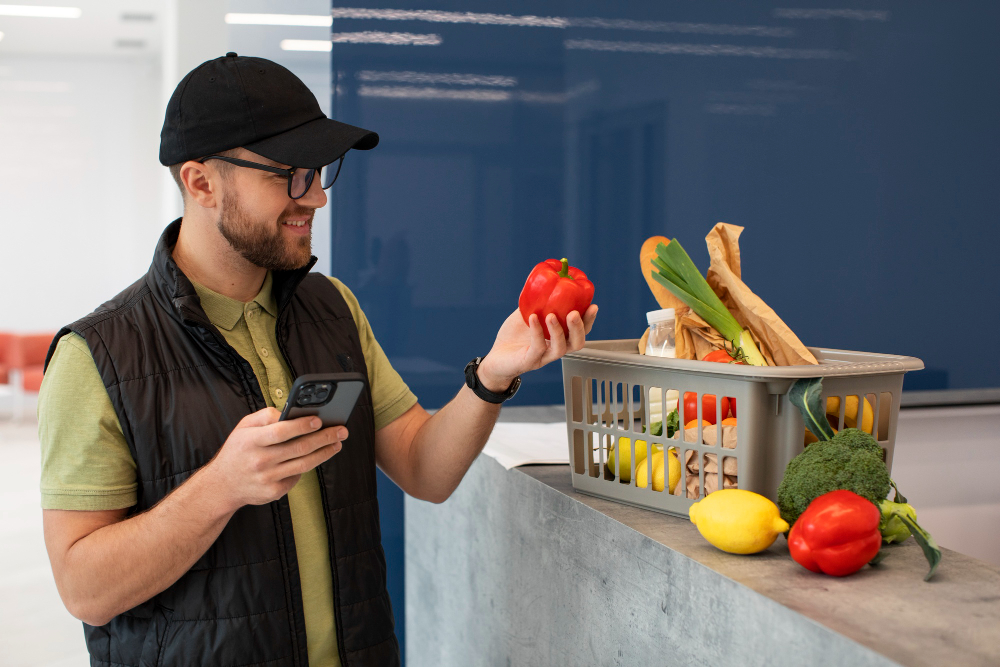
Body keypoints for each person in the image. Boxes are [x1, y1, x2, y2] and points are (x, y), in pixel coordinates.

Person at [37, 53, 598, 667]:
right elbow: (84, 589)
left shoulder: (332, 308)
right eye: (287, 176)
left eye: (317, 172)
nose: (314, 199)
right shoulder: (97, 356)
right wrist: (221, 488)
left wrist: (494, 373)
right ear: (201, 182)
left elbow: (424, 470)